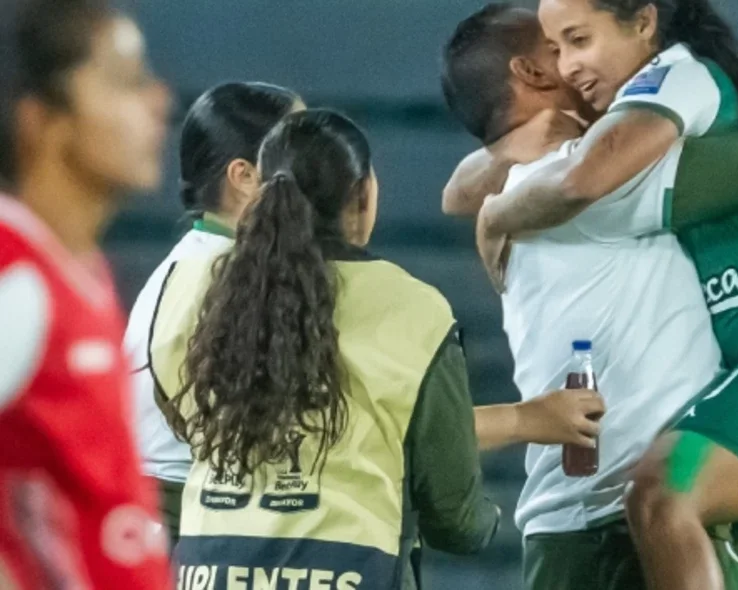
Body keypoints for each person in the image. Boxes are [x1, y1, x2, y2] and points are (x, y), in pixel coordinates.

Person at [475, 1, 738, 588]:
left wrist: (495, 216)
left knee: (663, 495)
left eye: (578, 40)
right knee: (668, 507)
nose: (568, 66)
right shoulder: (635, 141)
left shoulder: (669, 86)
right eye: (557, 49)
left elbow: (579, 181)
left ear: (643, 22)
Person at [147, 109, 500, 588]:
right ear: (363, 195)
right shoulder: (413, 309)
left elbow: (180, 415)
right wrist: (486, 520)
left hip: (207, 567)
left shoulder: (197, 287)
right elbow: (454, 519)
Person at [0, 0, 173, 588]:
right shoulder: (13, 273)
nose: (158, 101)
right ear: (39, 118)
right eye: (126, 82)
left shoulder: (78, 268)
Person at [123, 80, 304, 546]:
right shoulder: (221, 275)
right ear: (243, 176)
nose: (320, 160)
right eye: (299, 145)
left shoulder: (207, 262)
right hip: (185, 523)